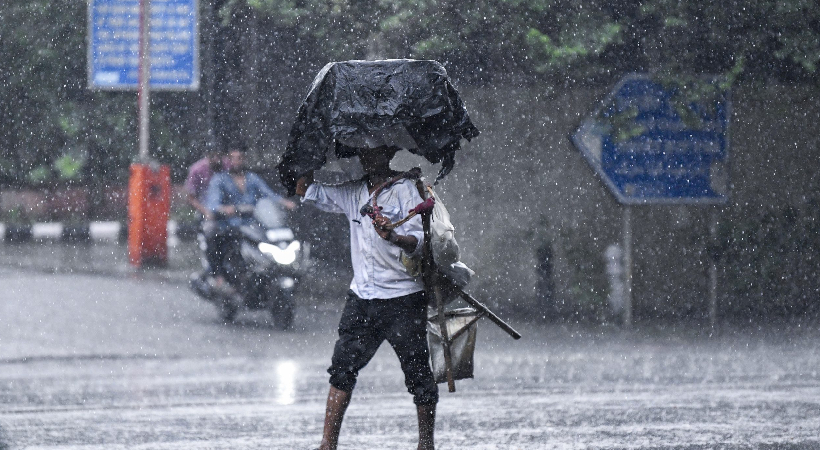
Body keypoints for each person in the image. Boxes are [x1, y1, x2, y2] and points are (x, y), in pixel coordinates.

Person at [295, 146, 437, 450]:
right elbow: (305, 190)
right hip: (362, 298)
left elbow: (420, 242)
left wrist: (394, 236)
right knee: (341, 369)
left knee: (418, 374)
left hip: (403, 298)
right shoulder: (353, 193)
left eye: (374, 151)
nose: (368, 157)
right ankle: (327, 444)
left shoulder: (404, 189)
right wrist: (309, 153)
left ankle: (426, 444)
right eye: (364, 151)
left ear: (388, 153)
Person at [205, 147, 296, 289]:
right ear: (228, 160)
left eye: (239, 158)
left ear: (244, 159)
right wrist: (226, 209)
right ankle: (218, 275)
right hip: (229, 224)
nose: (236, 162)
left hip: (252, 224)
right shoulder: (220, 180)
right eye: (233, 158)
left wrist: (284, 203)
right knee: (216, 239)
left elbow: (268, 194)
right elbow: (213, 205)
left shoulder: (252, 178)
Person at [184, 145, 223, 220]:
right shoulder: (197, 170)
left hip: (225, 208)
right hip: (204, 208)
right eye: (212, 156)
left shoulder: (227, 165)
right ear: (207, 155)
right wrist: (205, 211)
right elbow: (190, 197)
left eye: (218, 156)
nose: (216, 159)